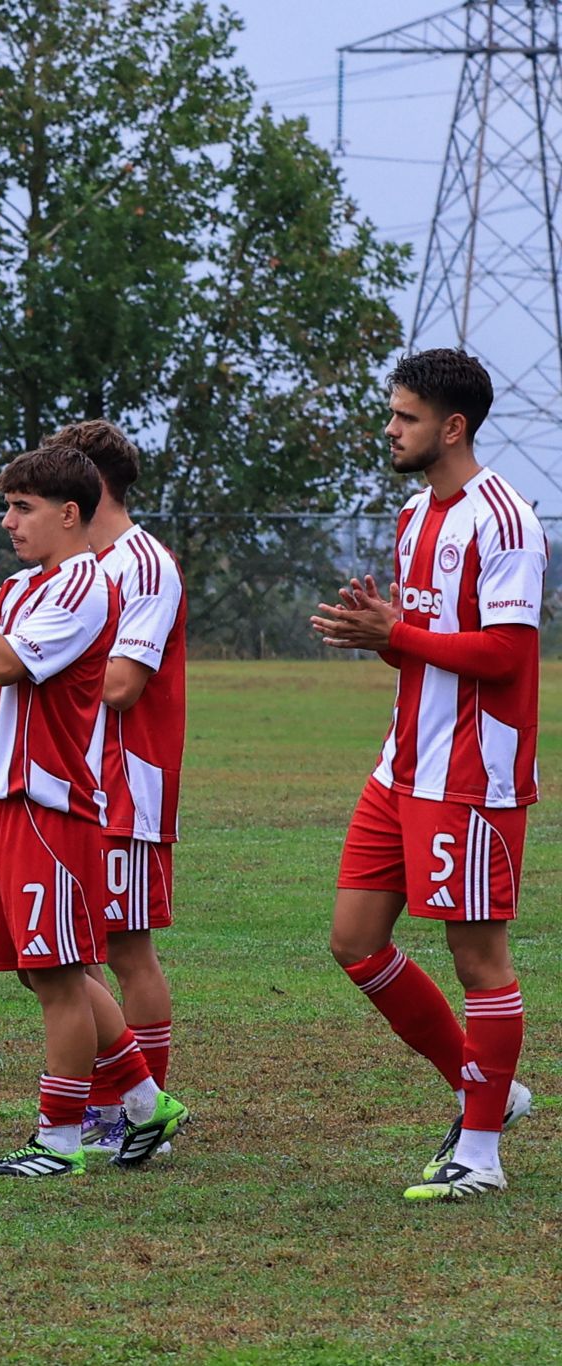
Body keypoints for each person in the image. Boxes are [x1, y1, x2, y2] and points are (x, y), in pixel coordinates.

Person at [0, 444, 188, 1176]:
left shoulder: (82, 587)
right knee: (43, 971)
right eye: (7, 506)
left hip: (51, 802)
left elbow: (4, 662)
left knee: (60, 973)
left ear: (69, 513)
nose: (9, 521)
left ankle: (58, 1141)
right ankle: (149, 1105)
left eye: (23, 508)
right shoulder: (29, 586)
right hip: (10, 803)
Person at [310, 348, 540, 1202]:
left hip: (473, 777)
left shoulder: (504, 519)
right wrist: (381, 631)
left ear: (452, 427)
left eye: (405, 417)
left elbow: (508, 654)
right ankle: (491, 1093)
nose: (391, 428)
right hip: (401, 767)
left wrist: (395, 636)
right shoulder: (415, 519)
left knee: (478, 956)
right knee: (355, 941)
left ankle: (479, 1153)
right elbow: (422, 656)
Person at [53, 420, 184, 1158]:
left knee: (124, 950)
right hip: (75, 781)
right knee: (71, 951)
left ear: (90, 485)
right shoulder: (78, 567)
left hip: (125, 784)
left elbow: (125, 684)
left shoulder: (144, 565)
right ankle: (124, 1103)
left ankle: (141, 1115)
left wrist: (37, 664)